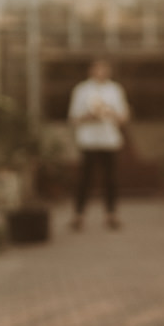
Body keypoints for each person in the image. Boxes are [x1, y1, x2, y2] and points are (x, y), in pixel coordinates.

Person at [67, 59, 130, 231]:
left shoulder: (115, 89)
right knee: (84, 180)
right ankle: (78, 215)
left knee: (110, 180)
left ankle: (111, 215)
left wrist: (109, 113)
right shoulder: (81, 90)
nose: (101, 72)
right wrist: (88, 116)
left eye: (104, 69)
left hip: (109, 141)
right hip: (88, 141)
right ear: (91, 70)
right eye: (98, 69)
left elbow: (124, 117)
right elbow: (73, 118)